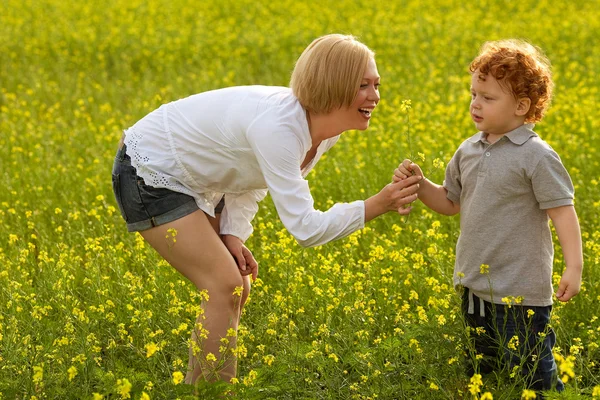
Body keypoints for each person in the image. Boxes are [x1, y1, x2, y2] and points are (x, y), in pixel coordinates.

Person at [112, 34, 421, 385]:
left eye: (376, 84)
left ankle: (200, 390)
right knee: (223, 286)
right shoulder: (280, 128)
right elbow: (306, 228)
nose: (375, 96)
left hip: (198, 176)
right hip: (149, 169)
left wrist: (232, 234)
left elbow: (253, 178)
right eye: (363, 85)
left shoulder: (324, 129)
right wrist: (378, 204)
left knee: (236, 286)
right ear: (334, 86)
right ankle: (215, 394)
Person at [394, 39, 583, 392]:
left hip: (520, 292)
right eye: (473, 94)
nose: (475, 104)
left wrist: (574, 267)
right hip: (473, 286)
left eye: (488, 97)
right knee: (484, 371)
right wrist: (420, 185)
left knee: (533, 374)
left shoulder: (536, 156)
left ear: (521, 106)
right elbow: (451, 202)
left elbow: (562, 211)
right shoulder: (468, 149)